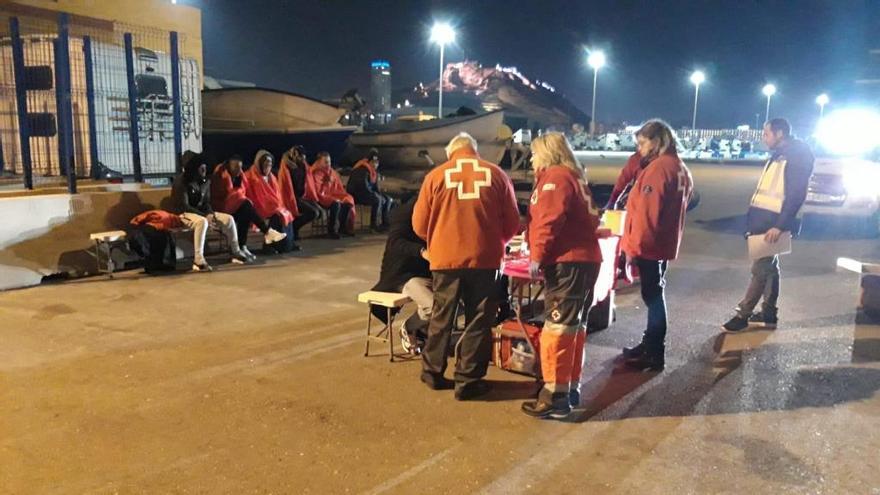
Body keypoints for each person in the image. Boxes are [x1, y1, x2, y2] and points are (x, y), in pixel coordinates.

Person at [413, 132, 520, 400]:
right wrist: (496, 242)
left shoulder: (436, 176)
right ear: (475, 150)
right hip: (485, 259)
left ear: (452, 153)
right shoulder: (496, 175)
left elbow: (419, 225)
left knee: (441, 316)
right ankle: (468, 380)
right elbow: (512, 223)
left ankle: (432, 372)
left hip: (445, 260)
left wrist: (438, 240)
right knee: (479, 319)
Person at [519, 132, 603, 419]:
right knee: (574, 328)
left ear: (546, 153)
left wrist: (536, 256)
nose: (531, 159)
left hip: (568, 264)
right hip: (585, 262)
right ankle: (568, 389)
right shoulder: (575, 176)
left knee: (557, 329)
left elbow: (547, 220)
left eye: (533, 153)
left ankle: (553, 397)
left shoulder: (555, 178)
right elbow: (594, 218)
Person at [722, 118, 814, 332]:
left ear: (780, 133)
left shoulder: (795, 156)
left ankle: (743, 315)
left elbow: (795, 194)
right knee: (770, 268)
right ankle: (769, 312)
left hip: (773, 223)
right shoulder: (781, 155)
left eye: (766, 134)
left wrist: (780, 225)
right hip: (764, 220)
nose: (763, 139)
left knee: (760, 269)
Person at [619, 119, 693, 371]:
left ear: (656, 141)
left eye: (642, 143)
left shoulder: (659, 168)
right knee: (655, 294)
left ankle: (654, 352)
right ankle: (650, 343)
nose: (639, 149)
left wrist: (632, 248)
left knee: (653, 298)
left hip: (650, 244)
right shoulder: (679, 167)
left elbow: (646, 215)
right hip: (664, 242)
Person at [371, 193, 433, 353]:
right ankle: (409, 328)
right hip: (405, 275)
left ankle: (422, 329)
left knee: (458, 303)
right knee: (434, 308)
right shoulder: (405, 214)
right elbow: (396, 242)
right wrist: (422, 251)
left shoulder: (438, 214)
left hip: (430, 272)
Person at [171, 153, 250, 270]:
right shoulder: (182, 181)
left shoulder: (205, 181)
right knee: (202, 222)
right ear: (194, 168)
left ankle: (236, 252)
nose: (204, 169)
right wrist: (205, 216)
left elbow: (207, 203)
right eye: (201, 167)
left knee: (228, 219)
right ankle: (198, 260)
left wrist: (210, 214)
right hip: (183, 214)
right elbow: (183, 206)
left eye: (205, 166)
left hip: (200, 214)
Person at [211, 155, 287, 260]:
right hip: (220, 209)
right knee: (245, 205)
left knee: (245, 211)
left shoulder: (239, 176)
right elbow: (222, 197)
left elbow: (241, 193)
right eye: (236, 168)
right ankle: (267, 232)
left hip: (234, 207)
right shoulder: (220, 176)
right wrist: (237, 197)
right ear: (229, 166)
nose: (239, 170)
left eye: (240, 167)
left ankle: (242, 246)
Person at [245, 149, 300, 253]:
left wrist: (277, 206)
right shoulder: (250, 176)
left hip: (271, 205)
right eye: (265, 163)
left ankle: (287, 243)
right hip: (258, 206)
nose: (268, 166)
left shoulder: (271, 177)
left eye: (270, 164)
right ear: (259, 163)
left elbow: (276, 195)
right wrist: (270, 206)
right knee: (277, 216)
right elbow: (251, 196)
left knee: (286, 213)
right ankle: (268, 245)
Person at [279, 146, 322, 240]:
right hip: (292, 197)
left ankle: (295, 228)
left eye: (303, 158)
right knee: (313, 212)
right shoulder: (287, 167)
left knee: (319, 212)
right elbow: (285, 186)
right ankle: (294, 227)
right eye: (300, 158)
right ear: (295, 155)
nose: (302, 160)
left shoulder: (303, 165)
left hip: (302, 196)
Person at [311, 151, 356, 239]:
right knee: (336, 204)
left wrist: (341, 197)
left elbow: (338, 189)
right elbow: (317, 191)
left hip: (331, 195)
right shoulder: (316, 172)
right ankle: (332, 230)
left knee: (347, 202)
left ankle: (342, 227)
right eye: (326, 162)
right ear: (319, 162)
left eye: (329, 162)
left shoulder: (332, 172)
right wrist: (331, 195)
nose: (328, 164)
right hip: (320, 197)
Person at [347, 148, 394, 231]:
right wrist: (375, 195)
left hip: (368, 193)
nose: (375, 164)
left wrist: (379, 194)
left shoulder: (373, 172)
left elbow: (375, 187)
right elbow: (362, 187)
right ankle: (373, 225)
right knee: (377, 200)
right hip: (358, 194)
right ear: (369, 161)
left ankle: (385, 223)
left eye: (377, 163)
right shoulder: (362, 170)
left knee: (387, 199)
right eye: (373, 162)